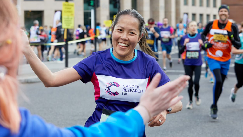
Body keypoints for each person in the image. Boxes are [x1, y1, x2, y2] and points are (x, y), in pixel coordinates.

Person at [0, 1, 190, 136]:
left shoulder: (148, 63)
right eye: (120, 30)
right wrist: (27, 50)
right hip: (100, 131)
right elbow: (51, 80)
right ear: (112, 31)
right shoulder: (97, 60)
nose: (124, 37)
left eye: (131, 33)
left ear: (139, 37)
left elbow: (176, 101)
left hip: (133, 131)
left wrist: (164, 110)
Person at [201, 5, 241, 119]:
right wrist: (205, 43)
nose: (223, 12)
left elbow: (238, 44)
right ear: (218, 13)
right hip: (213, 57)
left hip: (226, 59)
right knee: (218, 80)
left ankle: (215, 103)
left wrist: (231, 38)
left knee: (220, 84)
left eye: (225, 11)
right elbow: (203, 34)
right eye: (221, 11)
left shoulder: (232, 26)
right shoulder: (211, 24)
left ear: (228, 14)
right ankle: (214, 106)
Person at [179, 21, 203, 109]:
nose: (193, 27)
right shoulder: (184, 37)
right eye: (191, 26)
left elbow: (204, 49)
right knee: (190, 83)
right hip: (188, 63)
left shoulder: (200, 37)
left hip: (197, 63)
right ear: (188, 28)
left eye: (195, 26)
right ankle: (190, 101)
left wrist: (202, 44)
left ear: (197, 27)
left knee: (196, 82)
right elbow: (180, 52)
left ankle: (196, 95)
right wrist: (184, 44)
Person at [230, 22, 243, 102]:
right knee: (240, 83)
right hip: (239, 63)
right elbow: (233, 51)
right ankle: (234, 92)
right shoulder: (239, 37)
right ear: (241, 28)